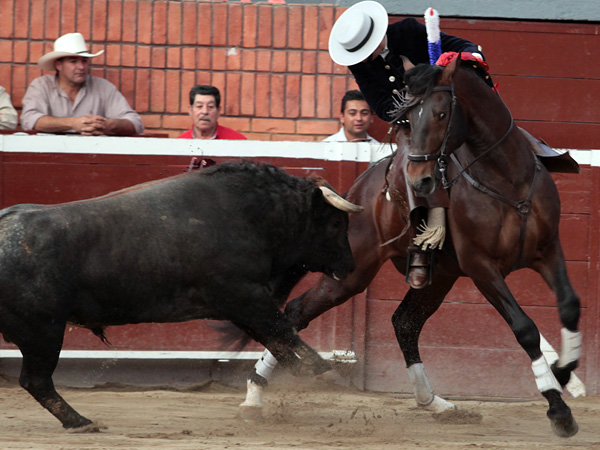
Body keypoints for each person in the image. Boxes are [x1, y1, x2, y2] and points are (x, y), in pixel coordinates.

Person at [328, 1, 483, 289]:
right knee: (410, 164)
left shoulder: (409, 32)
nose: (365, 58)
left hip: (445, 113)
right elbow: (382, 107)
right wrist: (413, 106)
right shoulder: (358, 63)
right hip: (409, 125)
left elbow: (466, 47)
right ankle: (419, 249)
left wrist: (467, 59)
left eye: (367, 49)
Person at [21, 32, 143, 136]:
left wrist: (106, 125)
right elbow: (29, 120)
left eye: (84, 61)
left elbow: (135, 123)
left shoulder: (104, 87)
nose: (81, 67)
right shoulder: (41, 86)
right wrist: (73, 123)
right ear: (59, 65)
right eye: (73, 61)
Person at [177, 85, 246, 140]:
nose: (205, 112)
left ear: (218, 111)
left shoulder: (236, 141)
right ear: (190, 110)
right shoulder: (180, 143)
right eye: (199, 106)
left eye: (210, 106)